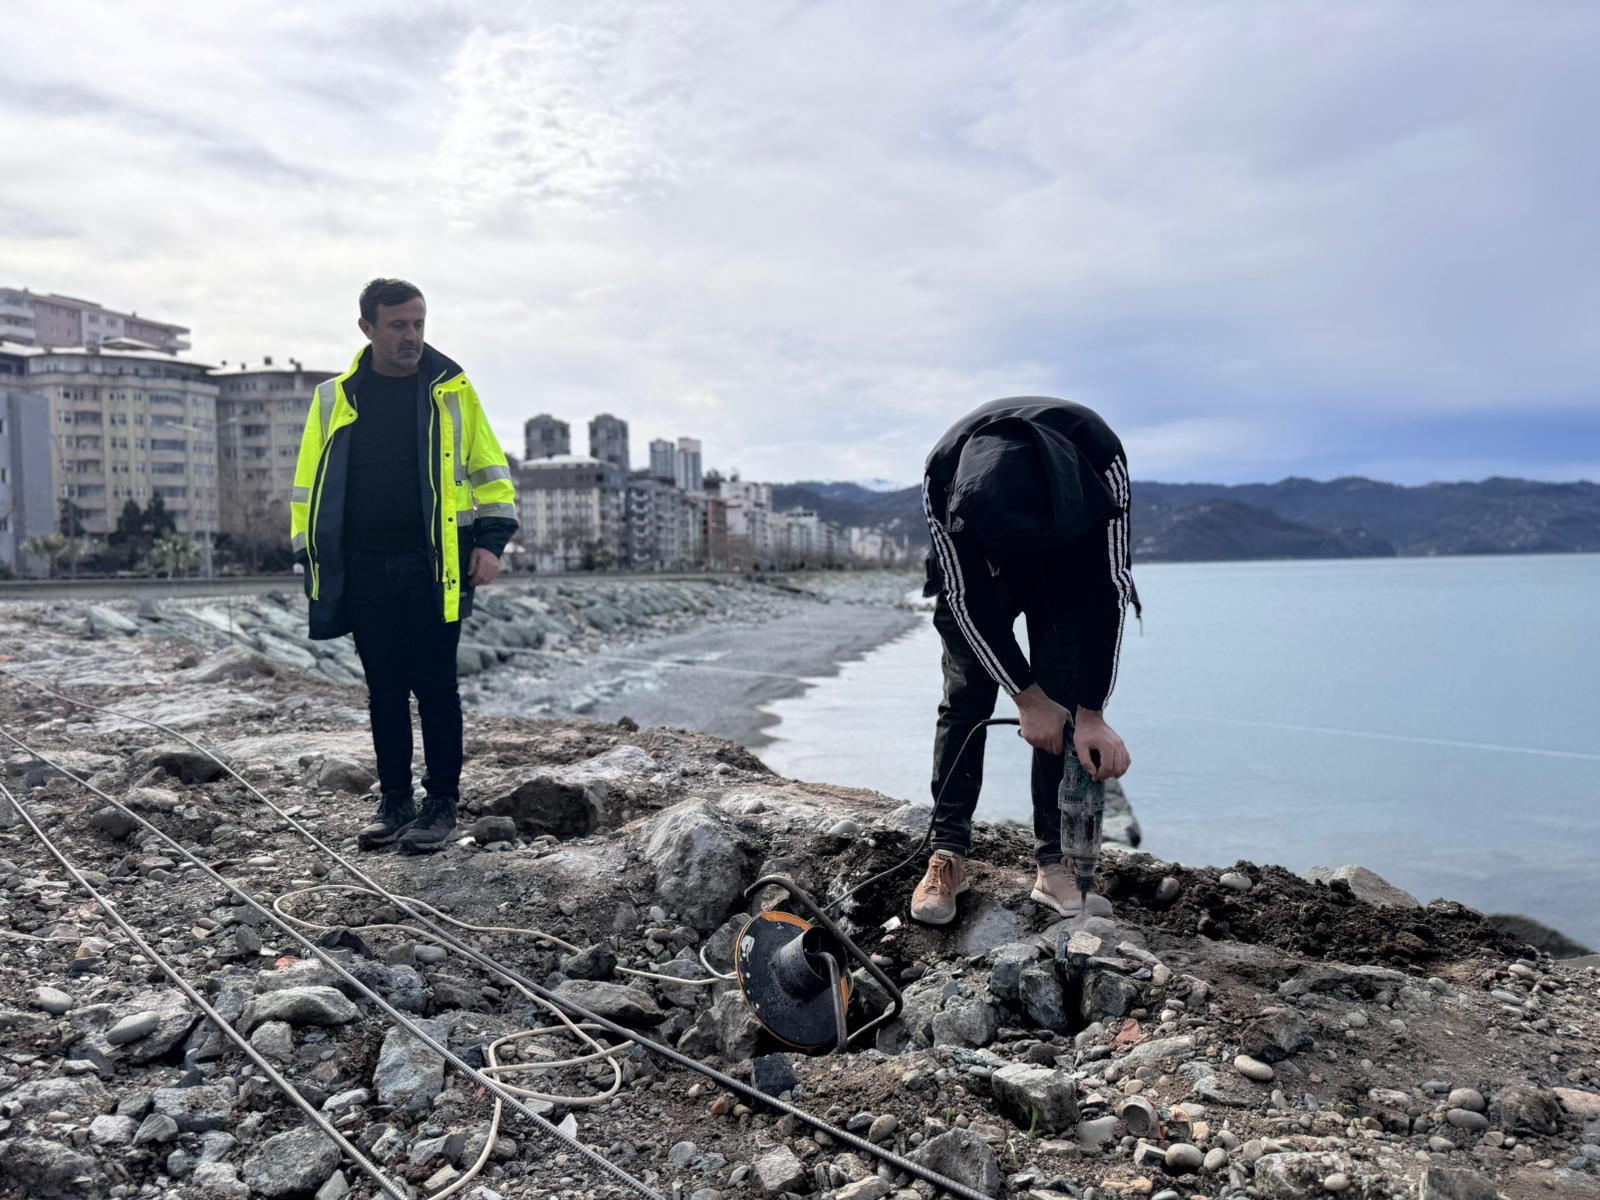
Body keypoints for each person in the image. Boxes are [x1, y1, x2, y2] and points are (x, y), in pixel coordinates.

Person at [289, 278, 518, 852]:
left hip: (434, 564)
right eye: (398, 325)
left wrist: (491, 542)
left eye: (418, 323)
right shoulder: (333, 397)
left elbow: (491, 472)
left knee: (437, 688)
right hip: (363, 565)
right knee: (384, 691)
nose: (412, 335)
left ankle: (441, 804)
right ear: (367, 328)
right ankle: (395, 803)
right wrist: (309, 554)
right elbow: (308, 487)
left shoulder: (451, 389)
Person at [911, 397, 1140, 925]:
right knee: (967, 697)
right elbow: (967, 603)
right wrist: (1025, 697)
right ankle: (947, 854)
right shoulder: (944, 476)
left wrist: (1092, 711)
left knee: (1063, 700)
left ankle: (1055, 865)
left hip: (1065, 564)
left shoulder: (1102, 466)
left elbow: (1109, 591)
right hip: (978, 572)